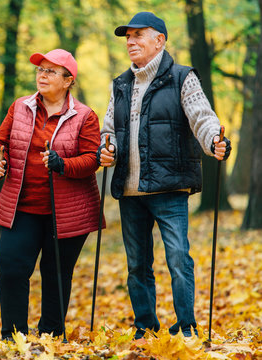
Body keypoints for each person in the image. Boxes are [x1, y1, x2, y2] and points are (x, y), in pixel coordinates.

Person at [97, 12, 232, 339]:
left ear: (160, 39)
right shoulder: (121, 84)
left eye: (138, 35)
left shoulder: (182, 77)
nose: (131, 41)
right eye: (127, 36)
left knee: (177, 259)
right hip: (129, 191)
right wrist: (108, 149)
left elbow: (202, 117)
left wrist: (214, 140)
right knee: (137, 266)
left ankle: (186, 325)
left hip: (170, 188)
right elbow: (110, 130)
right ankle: (145, 325)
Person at [0, 49, 102, 340]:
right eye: (40, 70)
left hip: (68, 213)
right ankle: (14, 338)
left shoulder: (85, 116)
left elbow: (92, 159)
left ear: (68, 81)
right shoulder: (20, 107)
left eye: (51, 71)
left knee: (56, 276)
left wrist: (62, 165)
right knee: (11, 269)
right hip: (22, 206)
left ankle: (50, 337)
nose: (42, 75)